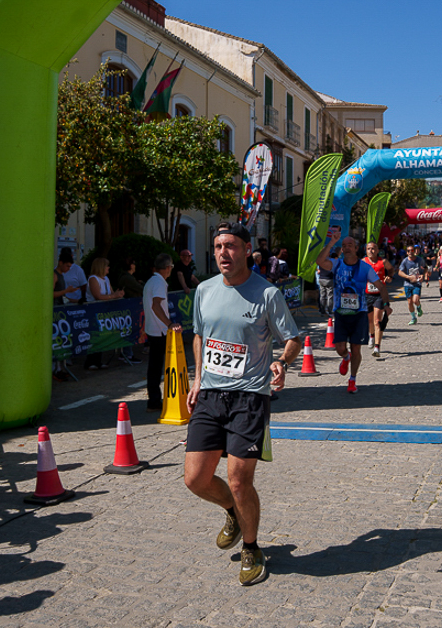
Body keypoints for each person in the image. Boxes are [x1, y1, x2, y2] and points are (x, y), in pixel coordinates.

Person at [183, 222, 301, 586]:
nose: (223, 252)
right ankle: (233, 512)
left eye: (231, 246)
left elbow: (293, 338)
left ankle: (251, 547)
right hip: (210, 396)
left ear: (247, 250)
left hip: (249, 397)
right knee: (195, 479)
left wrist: (282, 362)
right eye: (218, 246)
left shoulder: (267, 294)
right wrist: (198, 379)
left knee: (238, 480)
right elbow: (200, 335)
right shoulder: (204, 290)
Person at [317, 232, 379, 393]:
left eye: (350, 245)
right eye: (344, 246)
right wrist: (332, 243)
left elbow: (378, 283)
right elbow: (320, 261)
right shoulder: (337, 264)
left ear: (356, 248)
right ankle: (346, 357)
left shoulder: (364, 267)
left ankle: (352, 379)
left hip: (359, 312)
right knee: (339, 348)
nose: (347, 248)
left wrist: (384, 301)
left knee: (356, 348)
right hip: (341, 313)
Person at [143, 254, 180, 411]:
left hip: (154, 329)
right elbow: (156, 305)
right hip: (160, 331)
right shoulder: (159, 282)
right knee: (160, 366)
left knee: (155, 366)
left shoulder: (152, 281)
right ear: (167, 268)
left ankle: (154, 399)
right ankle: (156, 400)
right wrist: (169, 324)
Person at [85, 258, 126, 370]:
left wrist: (117, 294)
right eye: (106, 266)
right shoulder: (93, 279)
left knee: (102, 336)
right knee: (95, 336)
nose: (108, 268)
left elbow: (111, 293)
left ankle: (99, 361)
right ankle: (90, 361)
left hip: (104, 311)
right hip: (94, 311)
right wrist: (113, 296)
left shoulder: (106, 279)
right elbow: (98, 296)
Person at [363, 242, 394, 358]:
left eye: (373, 249)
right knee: (369, 321)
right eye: (368, 249)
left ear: (377, 251)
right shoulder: (363, 262)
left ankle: (377, 347)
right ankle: (371, 335)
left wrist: (389, 277)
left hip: (379, 295)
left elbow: (391, 269)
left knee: (377, 321)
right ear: (366, 250)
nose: (371, 251)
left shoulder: (383, 262)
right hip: (367, 295)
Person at [397, 245, 427, 325]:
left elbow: (425, 268)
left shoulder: (420, 260)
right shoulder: (405, 261)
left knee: (415, 300)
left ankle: (419, 307)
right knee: (410, 302)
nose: (410, 252)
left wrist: (422, 275)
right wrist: (408, 277)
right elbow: (400, 272)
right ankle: (413, 317)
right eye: (408, 251)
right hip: (408, 284)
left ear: (415, 251)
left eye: (412, 250)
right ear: (407, 252)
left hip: (417, 283)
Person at [316, 251, 335, 317]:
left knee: (322, 296)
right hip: (329, 279)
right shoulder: (330, 261)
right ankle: (330, 310)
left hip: (321, 279)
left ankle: (322, 310)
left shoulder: (320, 260)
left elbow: (316, 267)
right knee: (330, 296)